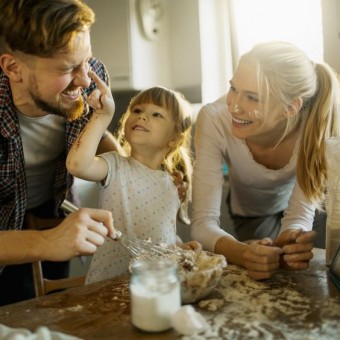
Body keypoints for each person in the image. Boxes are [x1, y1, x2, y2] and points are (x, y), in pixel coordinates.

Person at [0, 0, 120, 305]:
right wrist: (47, 241)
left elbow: (94, 132)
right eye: (67, 69)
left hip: (53, 214)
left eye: (87, 61)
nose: (83, 79)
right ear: (13, 68)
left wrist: (134, 172)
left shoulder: (90, 75)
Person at [191, 41, 340, 280]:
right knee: (265, 273)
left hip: (308, 209)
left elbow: (300, 213)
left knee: (304, 276)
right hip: (252, 211)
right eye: (233, 88)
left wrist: (292, 241)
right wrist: (244, 253)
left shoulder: (313, 129)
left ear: (290, 108)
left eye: (252, 98)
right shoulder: (213, 119)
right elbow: (202, 223)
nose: (234, 106)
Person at [66, 72, 199, 284]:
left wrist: (179, 246)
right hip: (108, 286)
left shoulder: (172, 185)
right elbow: (77, 165)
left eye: (157, 114)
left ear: (174, 137)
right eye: (137, 110)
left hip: (154, 285)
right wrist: (101, 117)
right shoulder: (115, 165)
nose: (142, 116)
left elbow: (160, 236)